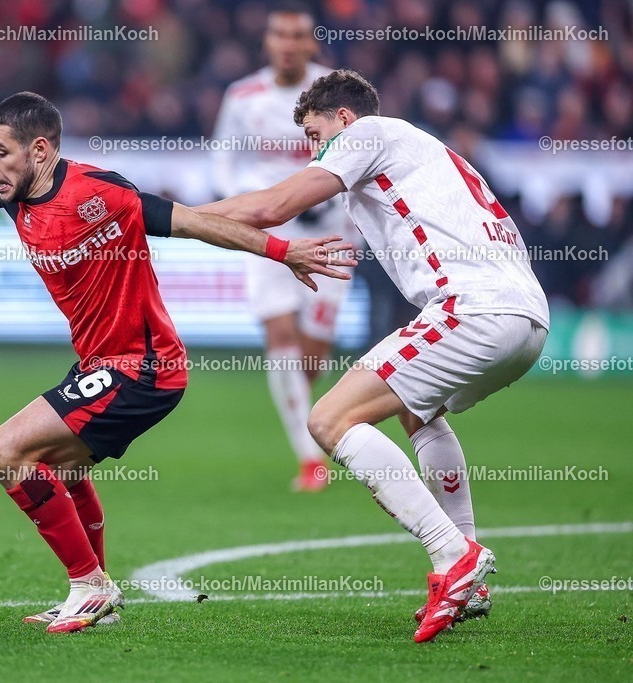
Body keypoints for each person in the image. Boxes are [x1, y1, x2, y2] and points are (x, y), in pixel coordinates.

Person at [0, 89, 355, 633]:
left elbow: (194, 222)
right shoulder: (7, 188)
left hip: (144, 367)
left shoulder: (101, 192)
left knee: (7, 449)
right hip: (100, 364)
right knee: (59, 470)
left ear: (40, 151)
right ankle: (97, 591)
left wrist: (283, 251)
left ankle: (89, 584)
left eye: (0, 152)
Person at [198, 69, 549, 643]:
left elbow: (273, 205)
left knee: (329, 419)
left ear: (343, 119)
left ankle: (453, 556)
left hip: (474, 309)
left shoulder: (370, 134)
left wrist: (173, 216)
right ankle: (471, 580)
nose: (313, 151)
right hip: (524, 318)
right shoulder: (419, 153)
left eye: (315, 135)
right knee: (417, 409)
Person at [211, 1, 351, 491]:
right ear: (267, 41)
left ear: (311, 42)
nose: (288, 45)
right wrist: (245, 205)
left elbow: (364, 148)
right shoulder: (243, 95)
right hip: (267, 234)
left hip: (333, 233)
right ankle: (309, 459)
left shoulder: (337, 89)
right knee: (281, 337)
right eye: (280, 35)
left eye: (297, 36)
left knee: (311, 355)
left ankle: (305, 424)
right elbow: (223, 159)